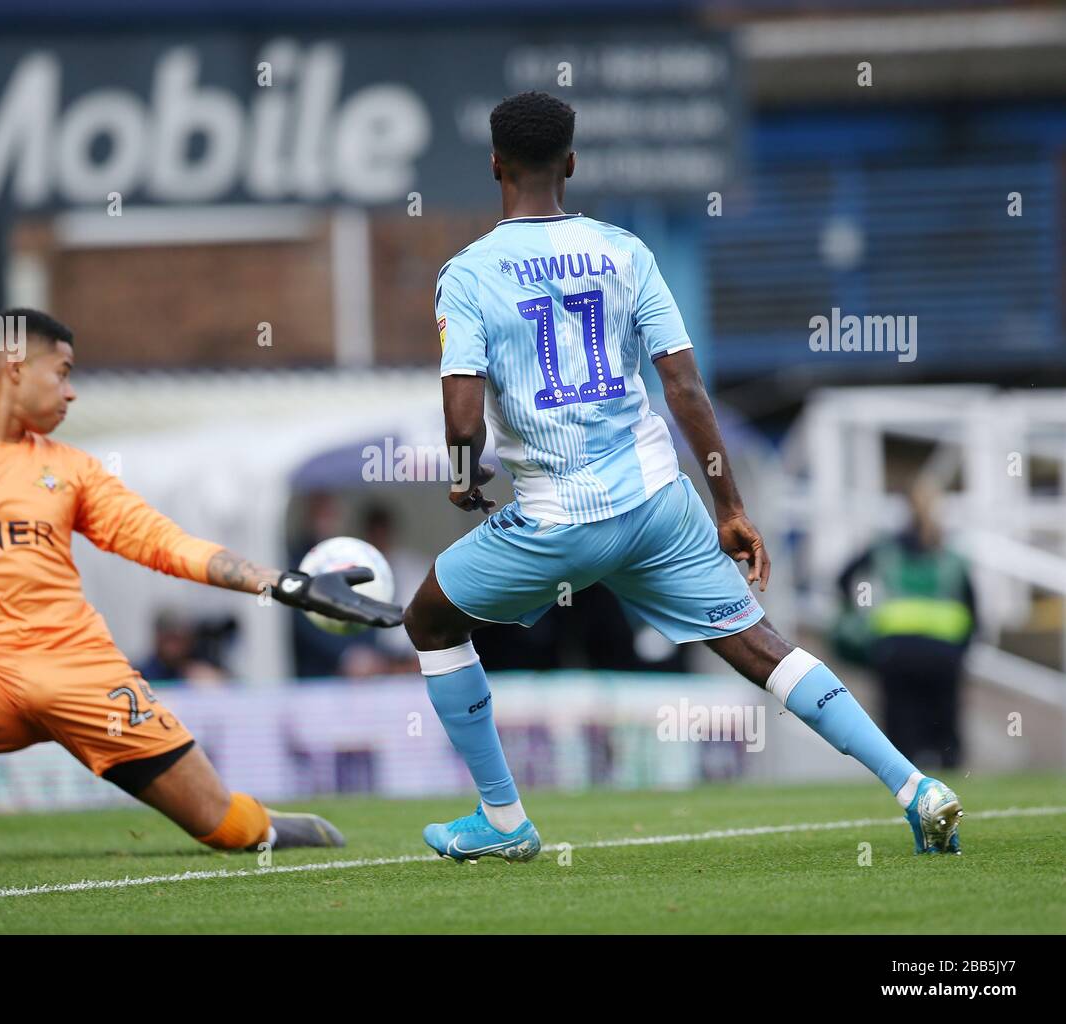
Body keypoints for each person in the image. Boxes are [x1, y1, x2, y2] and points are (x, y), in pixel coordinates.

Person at [402, 92, 964, 863]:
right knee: (762, 646)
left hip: (558, 518)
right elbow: (686, 388)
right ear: (571, 164)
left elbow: (463, 420)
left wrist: (465, 479)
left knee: (430, 621)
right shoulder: (626, 251)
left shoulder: (466, 275)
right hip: (659, 502)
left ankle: (503, 820)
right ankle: (916, 788)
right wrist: (729, 505)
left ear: (495, 165)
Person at [0, 309, 401, 872]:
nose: (72, 392)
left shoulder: (69, 468)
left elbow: (163, 543)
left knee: (225, 827)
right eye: (62, 371)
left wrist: (286, 583)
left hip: (84, 678)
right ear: (14, 366)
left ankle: (264, 824)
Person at [837, 482, 976, 769]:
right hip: (943, 653)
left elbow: (843, 577)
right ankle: (951, 802)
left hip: (895, 650)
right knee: (945, 733)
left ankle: (908, 795)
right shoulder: (953, 556)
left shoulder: (885, 549)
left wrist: (853, 618)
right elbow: (974, 609)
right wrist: (963, 649)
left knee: (900, 737)